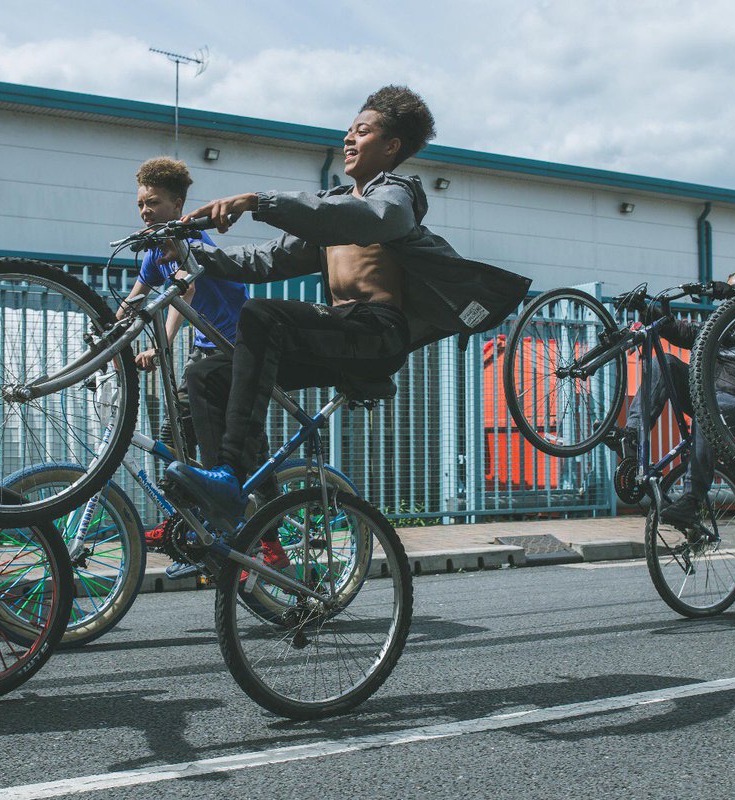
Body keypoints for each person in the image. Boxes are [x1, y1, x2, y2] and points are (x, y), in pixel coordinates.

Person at [162, 85, 531, 528]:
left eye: (362, 131)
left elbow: (373, 220)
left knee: (260, 315)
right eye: (348, 131)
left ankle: (229, 474)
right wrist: (189, 251)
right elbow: (265, 259)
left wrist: (259, 202)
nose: (349, 139)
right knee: (208, 372)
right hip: (336, 338)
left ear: (391, 146)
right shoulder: (332, 206)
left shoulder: (397, 195)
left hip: (376, 332)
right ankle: (237, 497)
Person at [115, 157, 251, 556]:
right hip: (205, 352)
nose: (145, 211)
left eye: (153, 203)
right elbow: (134, 298)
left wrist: (162, 344)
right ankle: (187, 524)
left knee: (206, 448)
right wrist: (103, 334)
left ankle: (241, 532)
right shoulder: (156, 250)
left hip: (230, 351)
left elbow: (181, 293)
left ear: (177, 205)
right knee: (171, 442)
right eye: (141, 204)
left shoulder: (191, 244)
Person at [609, 270, 735, 529]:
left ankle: (692, 501)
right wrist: (646, 309)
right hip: (710, 397)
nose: (731, 297)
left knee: (710, 412)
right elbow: (684, 331)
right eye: (729, 290)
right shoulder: (724, 324)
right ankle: (633, 437)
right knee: (664, 363)